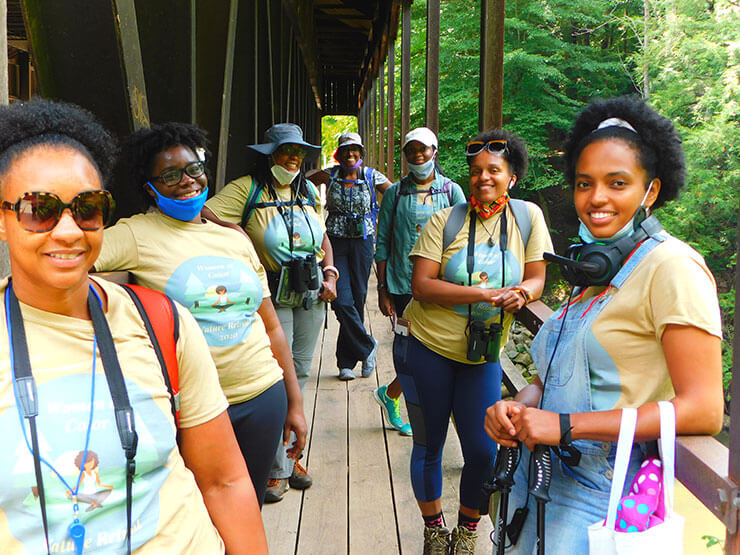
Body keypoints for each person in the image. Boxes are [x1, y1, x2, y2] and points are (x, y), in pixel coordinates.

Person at [0, 99, 267, 553]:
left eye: (87, 207)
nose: (68, 230)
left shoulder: (161, 322)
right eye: (38, 208)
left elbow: (225, 481)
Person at [484, 96, 723, 554]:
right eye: (584, 183)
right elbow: (558, 373)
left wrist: (565, 426)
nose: (597, 198)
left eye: (618, 183)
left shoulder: (672, 267)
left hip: (605, 495)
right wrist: (519, 404)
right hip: (540, 478)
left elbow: (704, 409)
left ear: (650, 191)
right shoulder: (595, 268)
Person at [93, 122, 307, 508]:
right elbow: (71, 259)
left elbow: (270, 324)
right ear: (150, 187)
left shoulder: (234, 239)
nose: (187, 181)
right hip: (190, 408)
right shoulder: (135, 234)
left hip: (263, 394)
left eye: (193, 169)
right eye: (170, 175)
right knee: (195, 517)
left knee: (248, 510)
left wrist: (294, 400)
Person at [396, 129, 553, 553]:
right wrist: (485, 295)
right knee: (429, 444)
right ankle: (433, 529)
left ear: (512, 177)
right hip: (429, 347)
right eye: (477, 171)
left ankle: (466, 532)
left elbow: (537, 275)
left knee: (483, 452)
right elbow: (422, 286)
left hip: (482, 354)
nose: (484, 178)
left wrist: (523, 293)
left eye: (494, 171)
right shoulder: (444, 220)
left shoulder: (527, 218)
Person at [202, 123, 337, 503]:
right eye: (285, 152)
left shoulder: (307, 189)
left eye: (299, 153)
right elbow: (206, 211)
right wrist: (239, 232)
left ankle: (293, 455)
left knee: (303, 374)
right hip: (272, 293)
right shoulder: (248, 188)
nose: (293, 159)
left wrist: (330, 271)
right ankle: (275, 467)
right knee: (278, 375)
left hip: (310, 291)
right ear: (269, 154)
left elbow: (322, 234)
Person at [373, 127, 466, 436]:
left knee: (435, 349)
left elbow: (467, 235)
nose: (417, 155)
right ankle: (409, 406)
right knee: (409, 349)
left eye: (423, 149)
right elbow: (383, 241)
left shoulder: (451, 191)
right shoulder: (395, 193)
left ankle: (393, 394)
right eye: (411, 150)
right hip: (401, 287)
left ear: (434, 151)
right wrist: (383, 289)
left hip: (443, 287)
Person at [309, 132, 392, 380]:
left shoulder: (371, 176)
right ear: (338, 153)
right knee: (340, 300)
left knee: (357, 299)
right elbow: (304, 180)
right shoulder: (330, 174)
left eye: (354, 150)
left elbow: (394, 194)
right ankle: (367, 346)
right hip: (335, 243)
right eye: (345, 150)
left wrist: (389, 222)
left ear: (361, 153)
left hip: (363, 243)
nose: (350, 155)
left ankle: (346, 363)